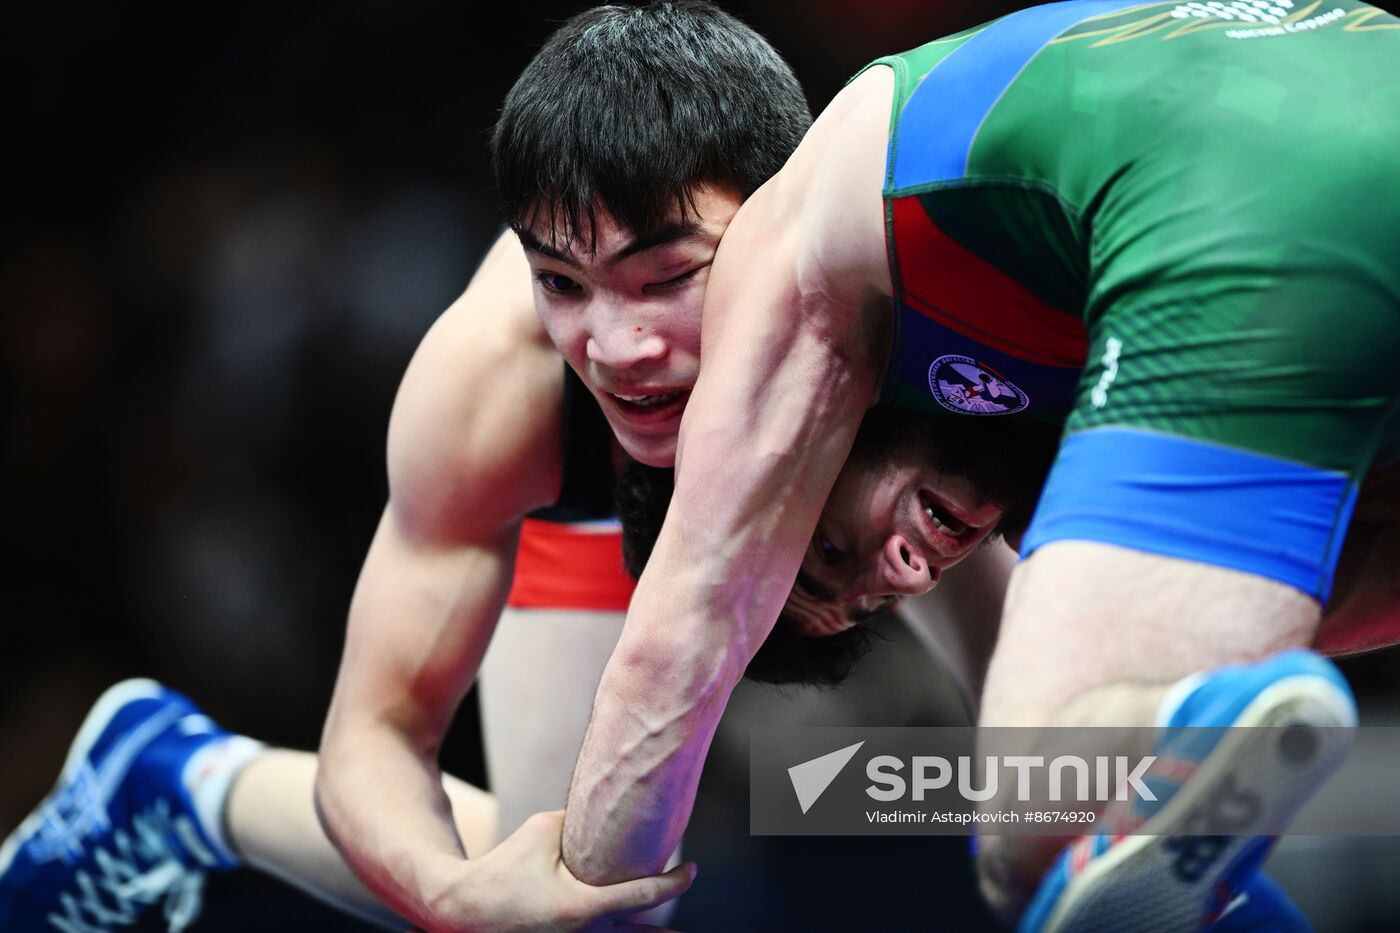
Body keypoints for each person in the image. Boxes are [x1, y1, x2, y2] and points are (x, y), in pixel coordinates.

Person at [1, 4, 1041, 930]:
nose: (616, 347)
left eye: (667, 276)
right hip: (591, 513)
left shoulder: (898, 307)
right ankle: (187, 784)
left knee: (1061, 774)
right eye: (563, 283)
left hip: (842, 391)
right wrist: (450, 901)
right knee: (591, 902)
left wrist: (1086, 805)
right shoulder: (498, 386)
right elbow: (376, 733)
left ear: (777, 227)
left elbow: (1056, 764)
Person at [555, 2, 1400, 930]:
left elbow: (679, 638)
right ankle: (1186, 711)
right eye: (878, 597)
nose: (910, 572)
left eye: (833, 549)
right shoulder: (1043, 426)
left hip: (1249, 191)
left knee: (1029, 829)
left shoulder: (791, 265)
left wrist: (582, 901)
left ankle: (1181, 707)